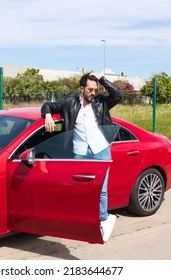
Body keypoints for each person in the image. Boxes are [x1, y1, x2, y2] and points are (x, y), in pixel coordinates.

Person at [40, 71, 123, 242]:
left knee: (102, 190)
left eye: (95, 89)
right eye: (90, 89)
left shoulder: (101, 102)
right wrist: (47, 115)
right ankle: (83, 223)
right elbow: (47, 105)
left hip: (101, 150)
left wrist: (100, 78)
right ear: (82, 88)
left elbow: (118, 94)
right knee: (81, 191)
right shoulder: (69, 103)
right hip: (79, 152)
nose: (93, 92)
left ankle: (101, 221)